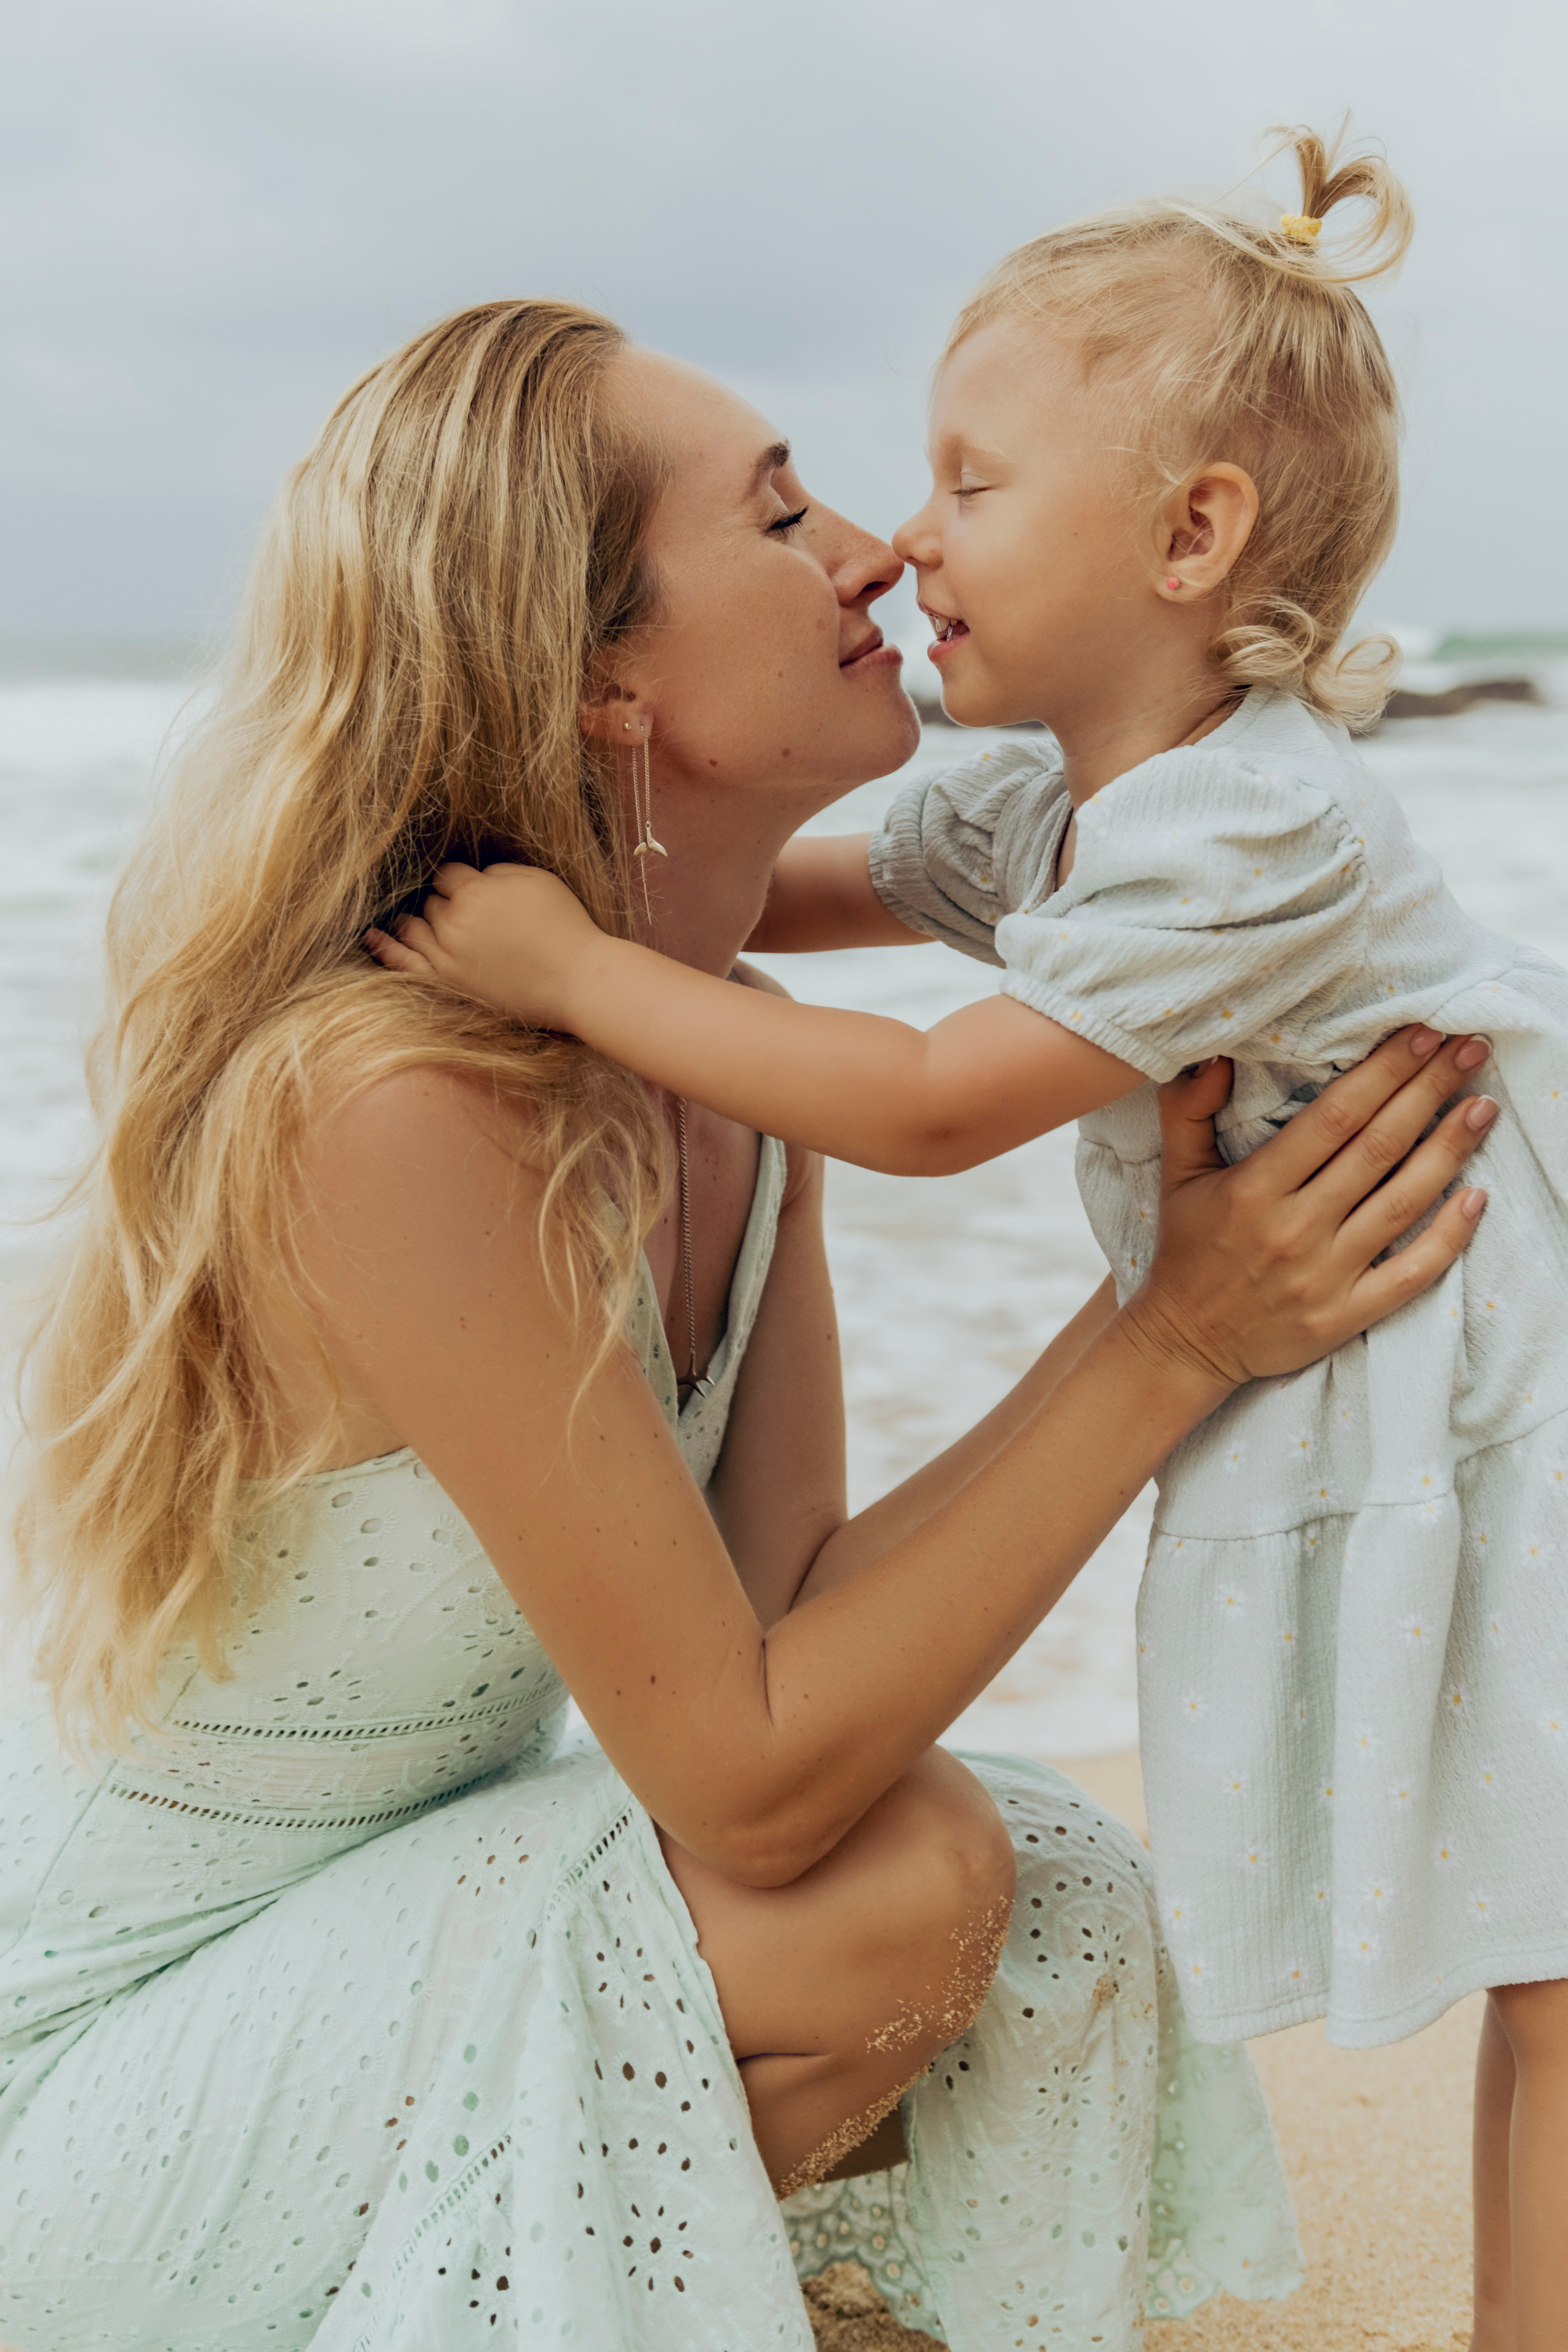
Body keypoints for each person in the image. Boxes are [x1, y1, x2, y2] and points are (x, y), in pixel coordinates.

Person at [2, 298, 1490, 2352]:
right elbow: (753, 1790)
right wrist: (1172, 1337)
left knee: (1045, 1881)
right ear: (608, 672)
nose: (881, 546)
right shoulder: (401, 1107)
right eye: (784, 514)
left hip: (420, 1910)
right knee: (893, 1891)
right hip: (116, 2067)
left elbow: (795, 1624)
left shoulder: (725, 1069)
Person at [367, 135, 1568, 2351]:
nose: (902, 538)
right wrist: (594, 920)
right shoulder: (1062, 791)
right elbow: (795, 905)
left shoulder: (1256, 815)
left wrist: (569, 972)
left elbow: (926, 1108)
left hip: (1494, 1342)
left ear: (1193, 535)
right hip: (1388, 1332)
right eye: (834, 493)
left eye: (968, 481)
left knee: (1555, 1935)